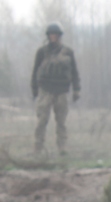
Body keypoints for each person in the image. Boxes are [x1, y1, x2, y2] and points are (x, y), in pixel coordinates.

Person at [31, 23, 80, 155]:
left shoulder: (68, 52)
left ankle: (62, 148)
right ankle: (38, 148)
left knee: (61, 122)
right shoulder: (42, 52)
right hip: (45, 90)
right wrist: (34, 89)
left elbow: (74, 72)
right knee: (41, 121)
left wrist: (77, 89)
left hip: (62, 91)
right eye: (51, 34)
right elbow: (35, 70)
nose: (53, 37)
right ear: (48, 36)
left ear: (59, 36)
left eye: (56, 35)